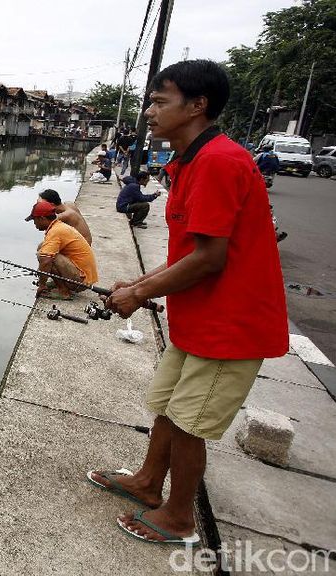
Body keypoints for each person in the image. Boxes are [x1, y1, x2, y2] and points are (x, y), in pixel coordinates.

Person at [91, 60, 288, 544]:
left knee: (188, 423)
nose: (150, 112)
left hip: (229, 327)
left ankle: (179, 519)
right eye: (150, 102)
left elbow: (210, 260)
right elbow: (189, 252)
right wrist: (139, 281)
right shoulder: (190, 162)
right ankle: (147, 482)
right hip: (197, 318)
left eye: (160, 102)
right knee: (167, 407)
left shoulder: (219, 162)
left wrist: (139, 294)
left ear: (198, 105)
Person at [25, 199, 99, 300]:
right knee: (42, 247)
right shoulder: (58, 225)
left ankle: (64, 292)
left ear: (42, 218)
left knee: (45, 256)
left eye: (34, 220)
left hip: (81, 281)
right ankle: (60, 283)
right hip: (83, 275)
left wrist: (42, 285)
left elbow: (45, 261)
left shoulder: (56, 231)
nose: (34, 224)